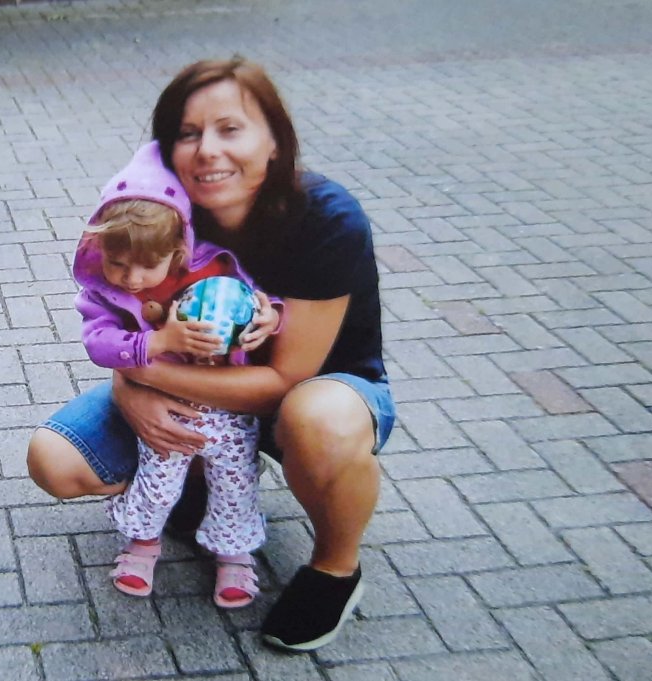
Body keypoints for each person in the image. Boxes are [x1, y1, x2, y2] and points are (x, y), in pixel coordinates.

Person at [28, 56, 395, 652]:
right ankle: (197, 484)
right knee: (55, 461)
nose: (207, 151)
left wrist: (141, 378)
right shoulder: (165, 214)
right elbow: (117, 320)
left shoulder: (326, 219)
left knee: (317, 422)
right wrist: (131, 387)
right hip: (187, 378)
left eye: (230, 129)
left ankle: (334, 568)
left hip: (313, 389)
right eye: (188, 133)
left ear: (274, 140)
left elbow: (284, 377)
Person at [73, 141, 281, 608]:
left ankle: (234, 554)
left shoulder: (215, 267)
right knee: (159, 476)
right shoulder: (105, 291)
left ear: (178, 251)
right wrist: (158, 342)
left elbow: (258, 296)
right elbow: (98, 342)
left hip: (227, 401)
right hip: (167, 406)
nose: (131, 278)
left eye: (147, 265)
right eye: (117, 263)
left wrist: (271, 315)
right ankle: (142, 544)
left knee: (235, 479)